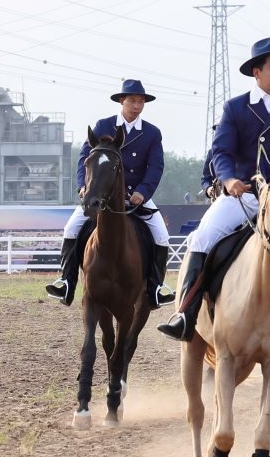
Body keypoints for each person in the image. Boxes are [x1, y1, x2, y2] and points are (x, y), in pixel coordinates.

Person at [157, 37, 270, 359]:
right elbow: (221, 152)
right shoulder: (235, 108)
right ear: (257, 72)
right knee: (201, 238)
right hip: (243, 195)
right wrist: (227, 180)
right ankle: (185, 312)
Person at [45, 79, 175, 309]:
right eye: (133, 100)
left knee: (161, 235)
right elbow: (85, 159)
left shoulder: (152, 133)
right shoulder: (102, 126)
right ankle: (66, 282)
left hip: (135, 195)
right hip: (100, 193)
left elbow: (155, 168)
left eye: (141, 101)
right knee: (71, 228)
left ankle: (155, 288)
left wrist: (143, 193)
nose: (137, 105)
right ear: (122, 101)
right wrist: (82, 187)